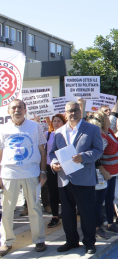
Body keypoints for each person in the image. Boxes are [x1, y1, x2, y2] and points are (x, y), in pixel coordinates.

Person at [49, 101, 103, 254]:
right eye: (69, 111)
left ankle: (89, 243)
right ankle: (71, 241)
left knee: (86, 213)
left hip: (84, 178)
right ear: (65, 113)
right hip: (64, 179)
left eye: (75, 110)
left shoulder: (92, 129)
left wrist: (84, 157)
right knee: (67, 213)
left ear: (81, 111)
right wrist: (54, 163)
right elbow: (52, 152)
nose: (72, 113)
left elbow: (98, 150)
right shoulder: (58, 131)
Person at [0, 99, 48, 256]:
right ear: (9, 111)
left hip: (31, 174)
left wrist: (43, 172)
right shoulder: (3, 129)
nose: (17, 110)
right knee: (7, 211)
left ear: (25, 110)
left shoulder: (35, 127)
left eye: (20, 107)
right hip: (9, 174)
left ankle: (39, 239)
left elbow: (42, 151)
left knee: (34, 208)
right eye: (13, 108)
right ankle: (6, 242)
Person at [87, 112, 118, 239]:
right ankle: (97, 228)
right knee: (99, 202)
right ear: (104, 121)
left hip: (112, 173)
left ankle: (110, 224)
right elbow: (95, 156)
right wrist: (103, 170)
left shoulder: (109, 133)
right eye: (108, 118)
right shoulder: (102, 137)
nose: (110, 119)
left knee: (109, 199)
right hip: (104, 174)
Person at [45, 114, 67, 228]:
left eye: (59, 121)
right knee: (53, 193)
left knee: (65, 192)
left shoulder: (66, 134)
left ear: (63, 123)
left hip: (64, 167)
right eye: (54, 121)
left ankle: (67, 213)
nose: (56, 123)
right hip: (51, 167)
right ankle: (55, 216)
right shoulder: (48, 134)